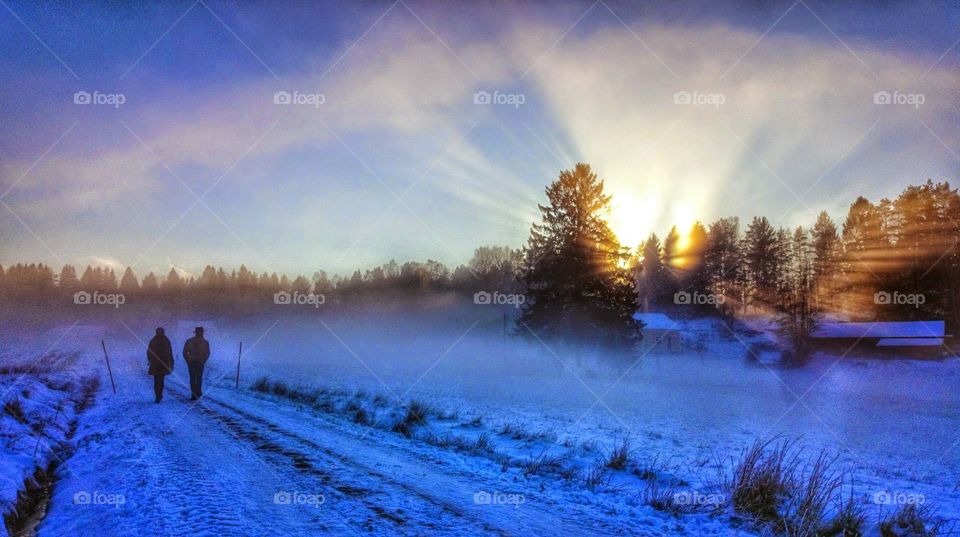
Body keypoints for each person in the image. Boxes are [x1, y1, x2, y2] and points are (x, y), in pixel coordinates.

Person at [147, 327, 174, 403]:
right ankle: (159, 395)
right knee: (161, 380)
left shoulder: (153, 340)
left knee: (156, 381)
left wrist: (150, 360)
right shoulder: (166, 341)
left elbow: (149, 352)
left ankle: (157, 396)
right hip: (163, 363)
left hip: (155, 363)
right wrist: (171, 362)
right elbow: (170, 352)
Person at [183, 326, 210, 400]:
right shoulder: (205, 342)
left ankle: (194, 394)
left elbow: (184, 352)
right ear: (202, 333)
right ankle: (198, 392)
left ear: (195, 333)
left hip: (191, 362)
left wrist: (187, 361)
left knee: (192, 378)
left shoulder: (189, 341)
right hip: (200, 362)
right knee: (199, 378)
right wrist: (204, 360)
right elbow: (207, 353)